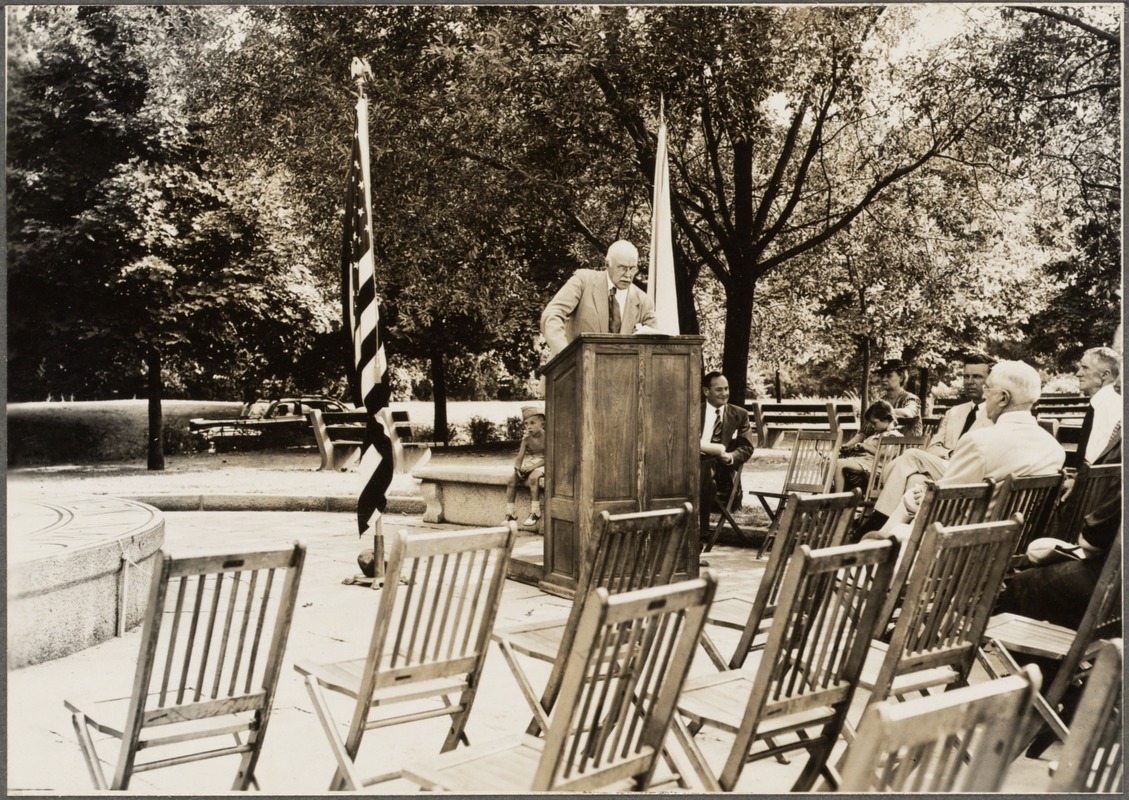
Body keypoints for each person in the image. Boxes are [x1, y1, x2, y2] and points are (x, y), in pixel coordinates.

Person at [870, 359, 1066, 538]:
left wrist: (911, 507)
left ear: (1003, 398)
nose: (984, 394)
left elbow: (940, 511)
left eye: (988, 389)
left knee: (872, 540)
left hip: (954, 552)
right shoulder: (1054, 449)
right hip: (1010, 546)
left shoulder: (978, 443)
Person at [853, 353, 994, 534]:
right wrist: (950, 454)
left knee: (912, 455)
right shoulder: (955, 412)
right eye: (966, 376)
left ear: (991, 381)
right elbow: (933, 448)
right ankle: (900, 538)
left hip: (968, 473)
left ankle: (877, 523)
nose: (969, 381)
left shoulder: (995, 415)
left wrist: (952, 453)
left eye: (977, 376)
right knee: (915, 480)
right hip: (943, 468)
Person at [540, 240, 658, 358]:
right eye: (622, 268)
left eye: (632, 269)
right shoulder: (583, 281)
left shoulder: (644, 302)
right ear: (607, 265)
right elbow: (552, 315)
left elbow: (655, 344)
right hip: (573, 370)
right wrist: (565, 355)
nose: (628, 275)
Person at [698, 371, 755, 539]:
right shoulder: (693, 411)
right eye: (719, 390)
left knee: (705, 467)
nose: (724, 394)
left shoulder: (739, 415)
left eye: (726, 389)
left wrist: (730, 456)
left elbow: (747, 447)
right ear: (706, 391)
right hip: (693, 463)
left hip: (723, 468)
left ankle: (701, 532)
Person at [1065, 346, 1121, 470]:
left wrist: (1075, 483)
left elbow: (1092, 463)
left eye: (1085, 368)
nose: (1078, 373)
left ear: (1105, 375)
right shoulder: (1103, 403)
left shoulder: (1109, 409)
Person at [833, 400, 900, 492]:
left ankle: (838, 498)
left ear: (885, 419)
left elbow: (888, 453)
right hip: (865, 462)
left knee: (838, 464)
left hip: (875, 467)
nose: (872, 426)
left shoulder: (893, 435)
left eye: (874, 423)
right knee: (830, 461)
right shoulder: (876, 435)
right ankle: (827, 492)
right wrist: (855, 448)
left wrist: (866, 447)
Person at [504, 405, 546, 529]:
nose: (529, 427)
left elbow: (549, 457)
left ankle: (535, 511)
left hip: (545, 463)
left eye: (532, 423)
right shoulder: (526, 440)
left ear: (542, 424)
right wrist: (517, 468)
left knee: (534, 477)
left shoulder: (548, 436)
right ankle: (510, 513)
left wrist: (533, 467)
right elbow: (519, 458)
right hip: (532, 463)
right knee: (511, 480)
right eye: (526, 424)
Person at [874, 358, 922, 437]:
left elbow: (909, 413)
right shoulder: (881, 401)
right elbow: (864, 431)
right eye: (882, 376)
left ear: (901, 377)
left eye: (889, 376)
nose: (883, 379)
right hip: (884, 445)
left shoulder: (911, 398)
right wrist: (847, 446)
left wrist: (885, 413)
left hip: (907, 445)